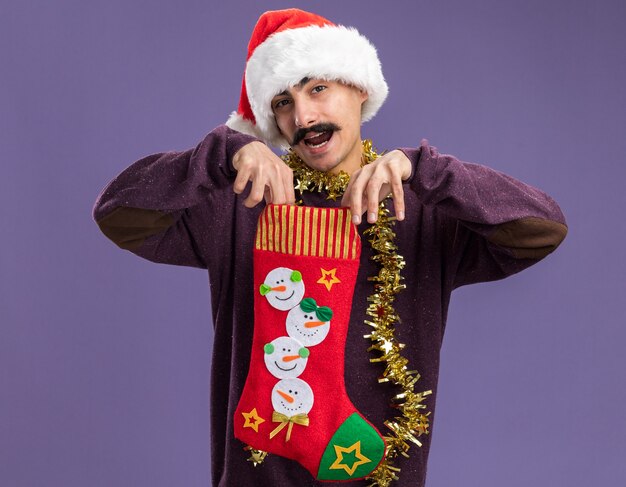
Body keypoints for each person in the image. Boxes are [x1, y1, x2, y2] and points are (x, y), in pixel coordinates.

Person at [93, 8, 567, 487]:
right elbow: (119, 215)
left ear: (359, 89)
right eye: (282, 101)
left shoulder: (422, 207)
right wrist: (221, 153)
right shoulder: (241, 202)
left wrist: (424, 169)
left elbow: (541, 229)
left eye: (318, 88)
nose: (303, 116)